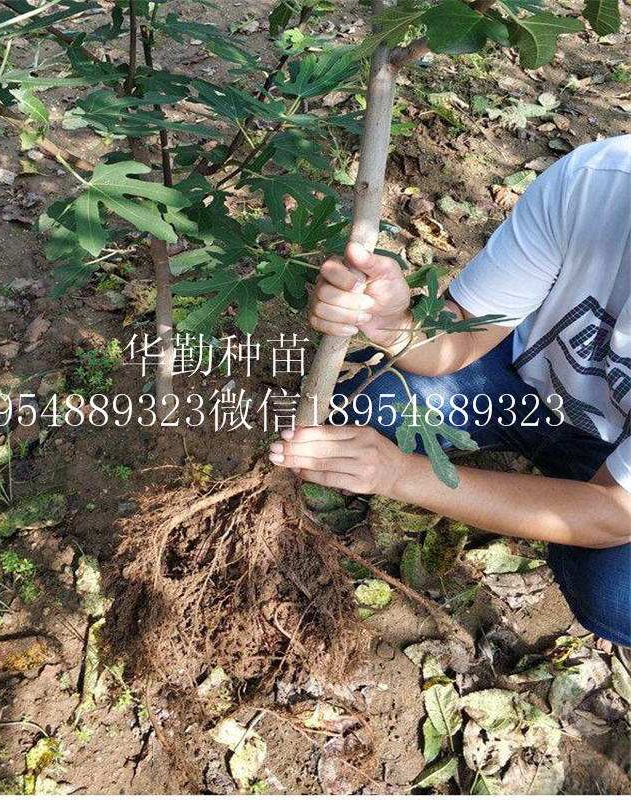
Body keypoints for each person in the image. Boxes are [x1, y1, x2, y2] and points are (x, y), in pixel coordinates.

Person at [269, 135, 631, 647]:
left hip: (615, 475)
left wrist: (399, 474)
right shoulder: (598, 183)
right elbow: (460, 340)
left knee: (622, 597)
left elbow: (612, 511)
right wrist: (392, 325)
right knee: (361, 413)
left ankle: (559, 528)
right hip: (520, 381)